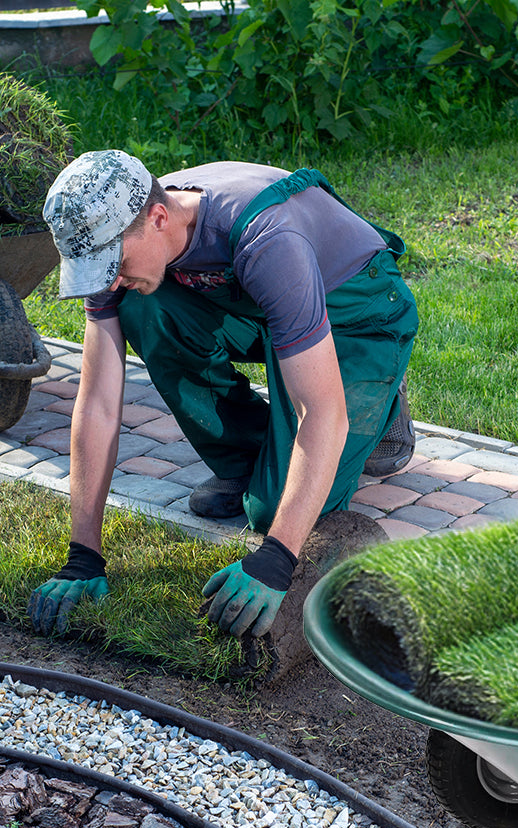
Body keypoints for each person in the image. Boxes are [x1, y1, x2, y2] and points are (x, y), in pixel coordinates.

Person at [27, 149, 417, 640]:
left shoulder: (267, 237)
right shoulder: (121, 233)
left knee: (278, 512)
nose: (109, 279)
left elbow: (322, 414)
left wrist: (276, 561)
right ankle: (255, 458)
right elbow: (99, 402)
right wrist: (83, 556)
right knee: (145, 307)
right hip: (268, 307)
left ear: (159, 216)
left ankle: (383, 403)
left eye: (116, 263)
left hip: (357, 312)